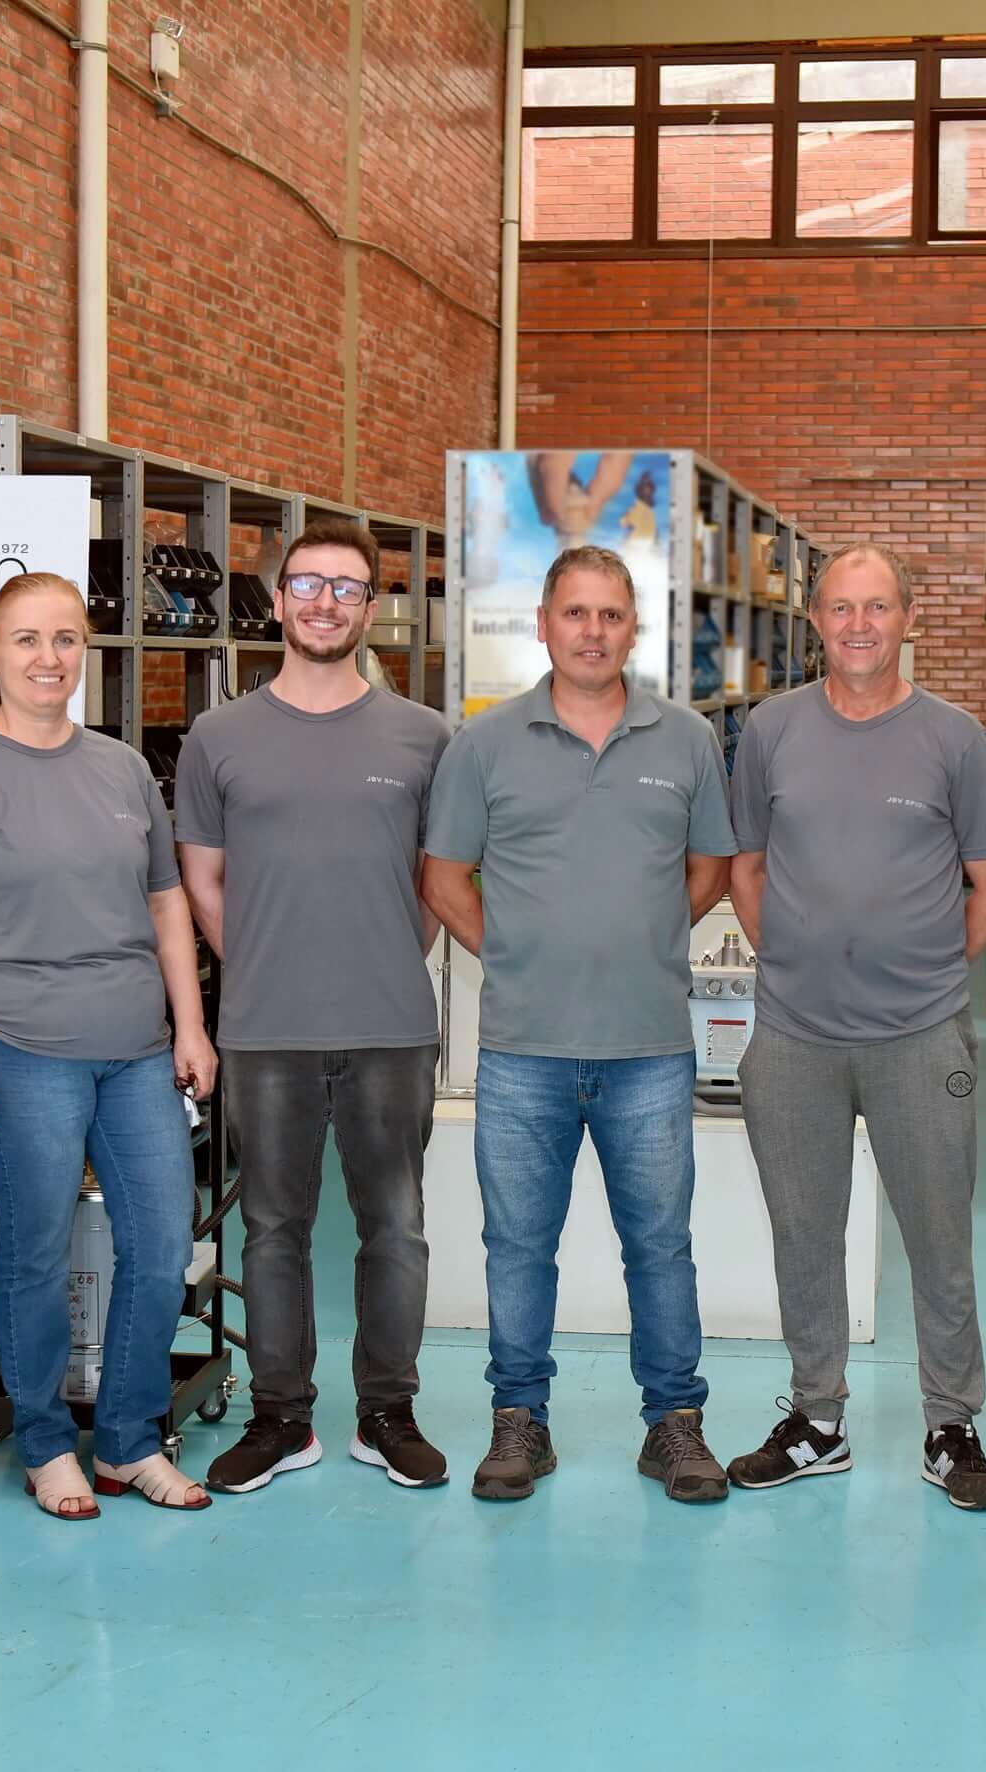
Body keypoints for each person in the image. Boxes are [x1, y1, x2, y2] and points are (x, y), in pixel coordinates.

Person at [0, 572, 214, 1519]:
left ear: (86, 651)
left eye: (66, 639)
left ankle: (126, 1441)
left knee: (161, 1243)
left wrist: (191, 1026)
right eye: (27, 640)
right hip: (22, 1048)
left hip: (138, 1051)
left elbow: (166, 905)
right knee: (34, 1250)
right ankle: (43, 1446)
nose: (48, 658)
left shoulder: (120, 768)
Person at [421, 545, 738, 1503]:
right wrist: (516, 952)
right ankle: (519, 1421)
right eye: (575, 613)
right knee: (518, 1247)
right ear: (544, 624)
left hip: (649, 1046)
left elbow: (710, 870)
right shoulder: (484, 744)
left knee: (661, 1246)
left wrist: (643, 941)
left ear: (634, 628)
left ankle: (674, 1424)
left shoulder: (686, 739)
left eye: (610, 614)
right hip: (524, 1048)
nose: (592, 631)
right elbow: (444, 877)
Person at [719, 543, 986, 1507]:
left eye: (878, 607)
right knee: (804, 1234)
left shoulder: (954, 739)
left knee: (939, 1241)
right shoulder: (771, 730)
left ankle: (951, 1425)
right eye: (842, 607)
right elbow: (746, 866)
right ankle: (817, 1420)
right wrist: (789, 958)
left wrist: (928, 969)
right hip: (794, 1037)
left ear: (908, 619)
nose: (859, 625)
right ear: (816, 620)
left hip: (921, 1036)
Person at [174, 518, 453, 1494]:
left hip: (390, 1026)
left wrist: (383, 953)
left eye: (345, 587)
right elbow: (202, 879)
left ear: (370, 607)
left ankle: (387, 1412)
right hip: (266, 1028)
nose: (324, 602)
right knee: (271, 1229)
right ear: (278, 597)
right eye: (306, 583)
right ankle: (280, 1418)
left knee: (395, 1226)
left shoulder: (425, 736)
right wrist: (262, 965)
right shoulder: (217, 737)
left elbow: (436, 881)